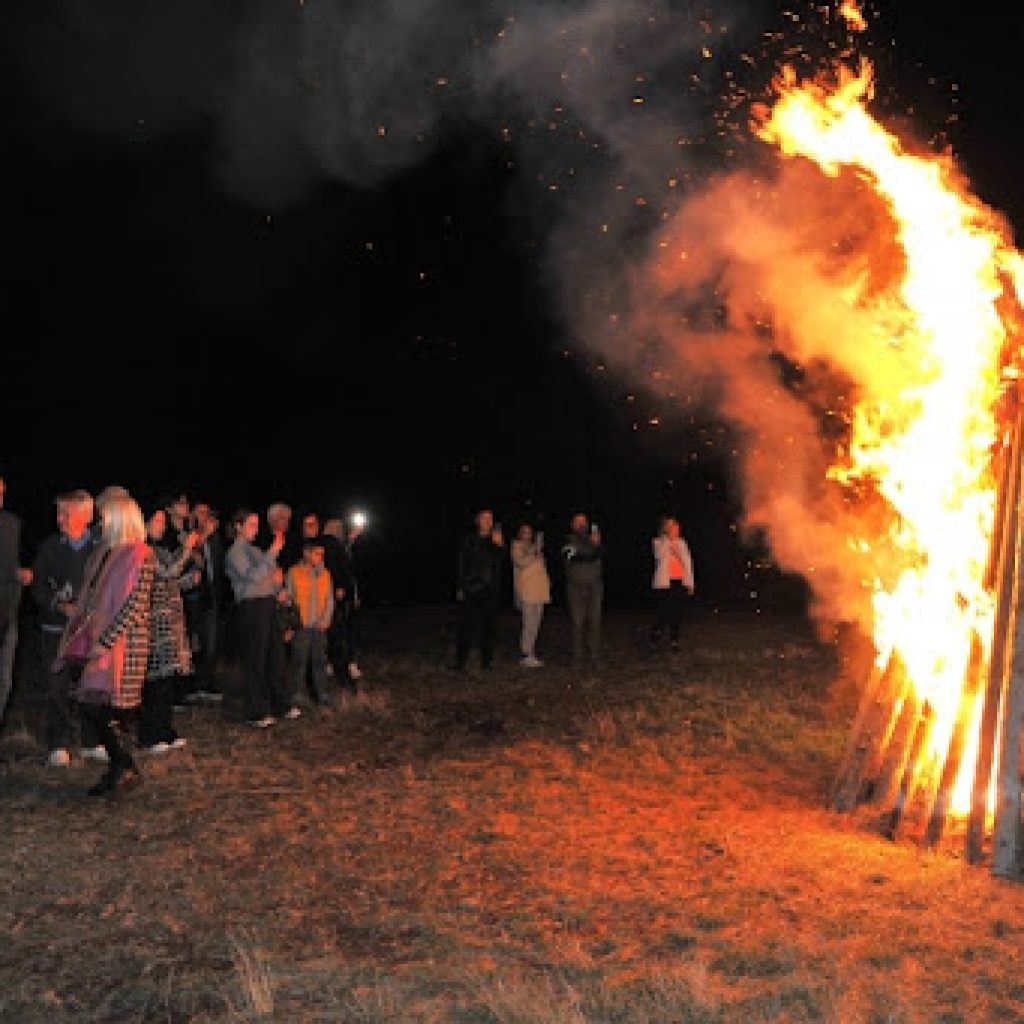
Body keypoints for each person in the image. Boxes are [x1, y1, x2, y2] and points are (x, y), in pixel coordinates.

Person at [53, 492, 157, 797]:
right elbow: (93, 593)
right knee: (92, 703)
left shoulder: (140, 555)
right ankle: (121, 765)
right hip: (100, 641)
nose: (100, 522)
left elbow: (134, 606)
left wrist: (107, 641)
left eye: (105, 516)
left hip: (125, 646)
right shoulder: (105, 552)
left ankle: (122, 767)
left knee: (111, 708)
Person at [30, 488, 104, 766]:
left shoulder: (99, 549)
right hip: (55, 631)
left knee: (90, 686)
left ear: (86, 516)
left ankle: (91, 740)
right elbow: (37, 586)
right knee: (57, 687)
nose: (60, 519)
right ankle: (58, 743)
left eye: (66, 513)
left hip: (88, 630)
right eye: (58, 513)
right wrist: (58, 606)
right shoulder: (49, 548)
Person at [224, 508, 299, 727]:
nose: (256, 529)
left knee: (276, 657)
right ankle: (255, 711)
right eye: (251, 525)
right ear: (238, 526)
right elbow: (252, 577)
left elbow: (272, 575)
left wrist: (279, 589)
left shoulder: (256, 551)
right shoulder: (234, 552)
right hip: (252, 608)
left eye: (257, 525)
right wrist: (273, 553)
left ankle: (280, 704)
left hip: (269, 605)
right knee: (255, 660)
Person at [139, 505, 198, 752]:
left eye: (164, 521)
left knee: (167, 679)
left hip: (169, 619)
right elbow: (165, 572)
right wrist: (186, 549)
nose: (162, 526)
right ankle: (150, 735)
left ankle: (165, 730)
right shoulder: (143, 550)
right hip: (153, 621)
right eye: (158, 520)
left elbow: (171, 578)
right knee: (154, 680)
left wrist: (188, 580)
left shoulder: (160, 550)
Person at [453, 509, 505, 670]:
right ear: (478, 521)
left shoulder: (497, 540)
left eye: (491, 518)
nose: (488, 521)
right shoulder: (469, 540)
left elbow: (501, 559)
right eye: (485, 518)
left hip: (490, 590)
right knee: (465, 627)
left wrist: (499, 545)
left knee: (489, 628)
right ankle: (460, 662)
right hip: (471, 588)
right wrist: (460, 586)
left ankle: (486, 663)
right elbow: (462, 564)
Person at [285, 536, 334, 707]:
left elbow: (329, 599)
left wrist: (326, 620)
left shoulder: (325, 574)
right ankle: (296, 694)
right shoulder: (294, 572)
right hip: (301, 626)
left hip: (319, 626)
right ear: (306, 553)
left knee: (319, 661)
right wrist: (291, 626)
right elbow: (288, 600)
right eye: (317, 554)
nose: (320, 557)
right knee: (299, 661)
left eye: (322, 554)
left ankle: (322, 694)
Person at [0, 475, 32, 726]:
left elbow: (11, 562)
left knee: (4, 680)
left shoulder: (11, 523)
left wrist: (20, 574)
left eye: (1, 493)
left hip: (8, 610)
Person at [322, 516, 363, 687]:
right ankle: (341, 665)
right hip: (335, 596)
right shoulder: (330, 546)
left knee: (342, 630)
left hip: (343, 595)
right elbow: (340, 569)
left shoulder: (340, 546)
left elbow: (349, 569)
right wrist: (340, 587)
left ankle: (338, 664)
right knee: (338, 631)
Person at [561, 511, 604, 671]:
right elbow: (572, 557)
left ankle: (595, 657)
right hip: (575, 588)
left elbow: (602, 554)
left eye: (583, 521)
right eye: (577, 521)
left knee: (595, 623)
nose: (581, 524)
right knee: (577, 624)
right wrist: (593, 550)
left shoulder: (595, 539)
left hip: (595, 587)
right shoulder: (567, 540)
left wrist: (597, 545)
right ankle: (577, 659)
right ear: (572, 524)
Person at [650, 515, 696, 650]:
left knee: (677, 613)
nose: (674, 528)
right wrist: (669, 541)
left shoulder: (682, 543)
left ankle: (674, 641)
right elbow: (659, 555)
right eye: (670, 526)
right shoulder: (658, 542)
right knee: (663, 613)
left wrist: (690, 584)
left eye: (675, 525)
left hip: (679, 582)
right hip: (664, 583)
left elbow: (688, 564)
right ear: (665, 528)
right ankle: (655, 639)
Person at [510, 522, 550, 668]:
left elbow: (541, 568)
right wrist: (534, 553)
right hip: (527, 590)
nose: (527, 535)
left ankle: (531, 652)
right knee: (528, 624)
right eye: (524, 532)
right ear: (520, 534)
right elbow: (520, 562)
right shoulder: (517, 546)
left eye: (529, 532)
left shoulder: (535, 548)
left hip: (540, 591)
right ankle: (526, 653)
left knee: (536, 624)